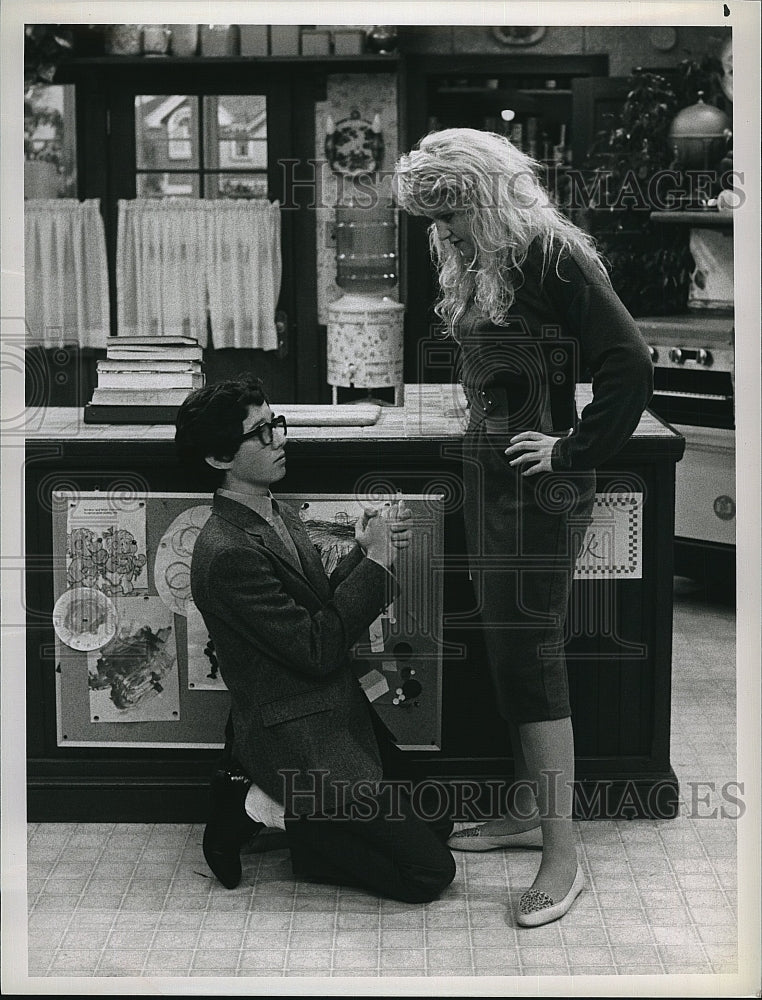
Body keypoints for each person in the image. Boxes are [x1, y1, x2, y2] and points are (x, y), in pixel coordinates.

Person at [393, 128, 653, 927]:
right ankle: (522, 814)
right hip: (492, 474)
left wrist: (574, 450)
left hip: (538, 490)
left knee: (530, 652)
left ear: (485, 195)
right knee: (508, 647)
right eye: (431, 220)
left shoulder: (547, 251)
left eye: (449, 216)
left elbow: (630, 363)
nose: (441, 234)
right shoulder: (490, 257)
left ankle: (563, 857)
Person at [174, 375, 456, 902]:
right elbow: (317, 647)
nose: (279, 439)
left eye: (274, 424)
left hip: (332, 706)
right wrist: (376, 563)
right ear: (218, 459)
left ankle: (297, 823)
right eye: (259, 434)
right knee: (429, 873)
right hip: (296, 730)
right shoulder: (226, 552)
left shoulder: (272, 510)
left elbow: (316, 605)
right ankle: (267, 810)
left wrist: (362, 550)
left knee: (439, 821)